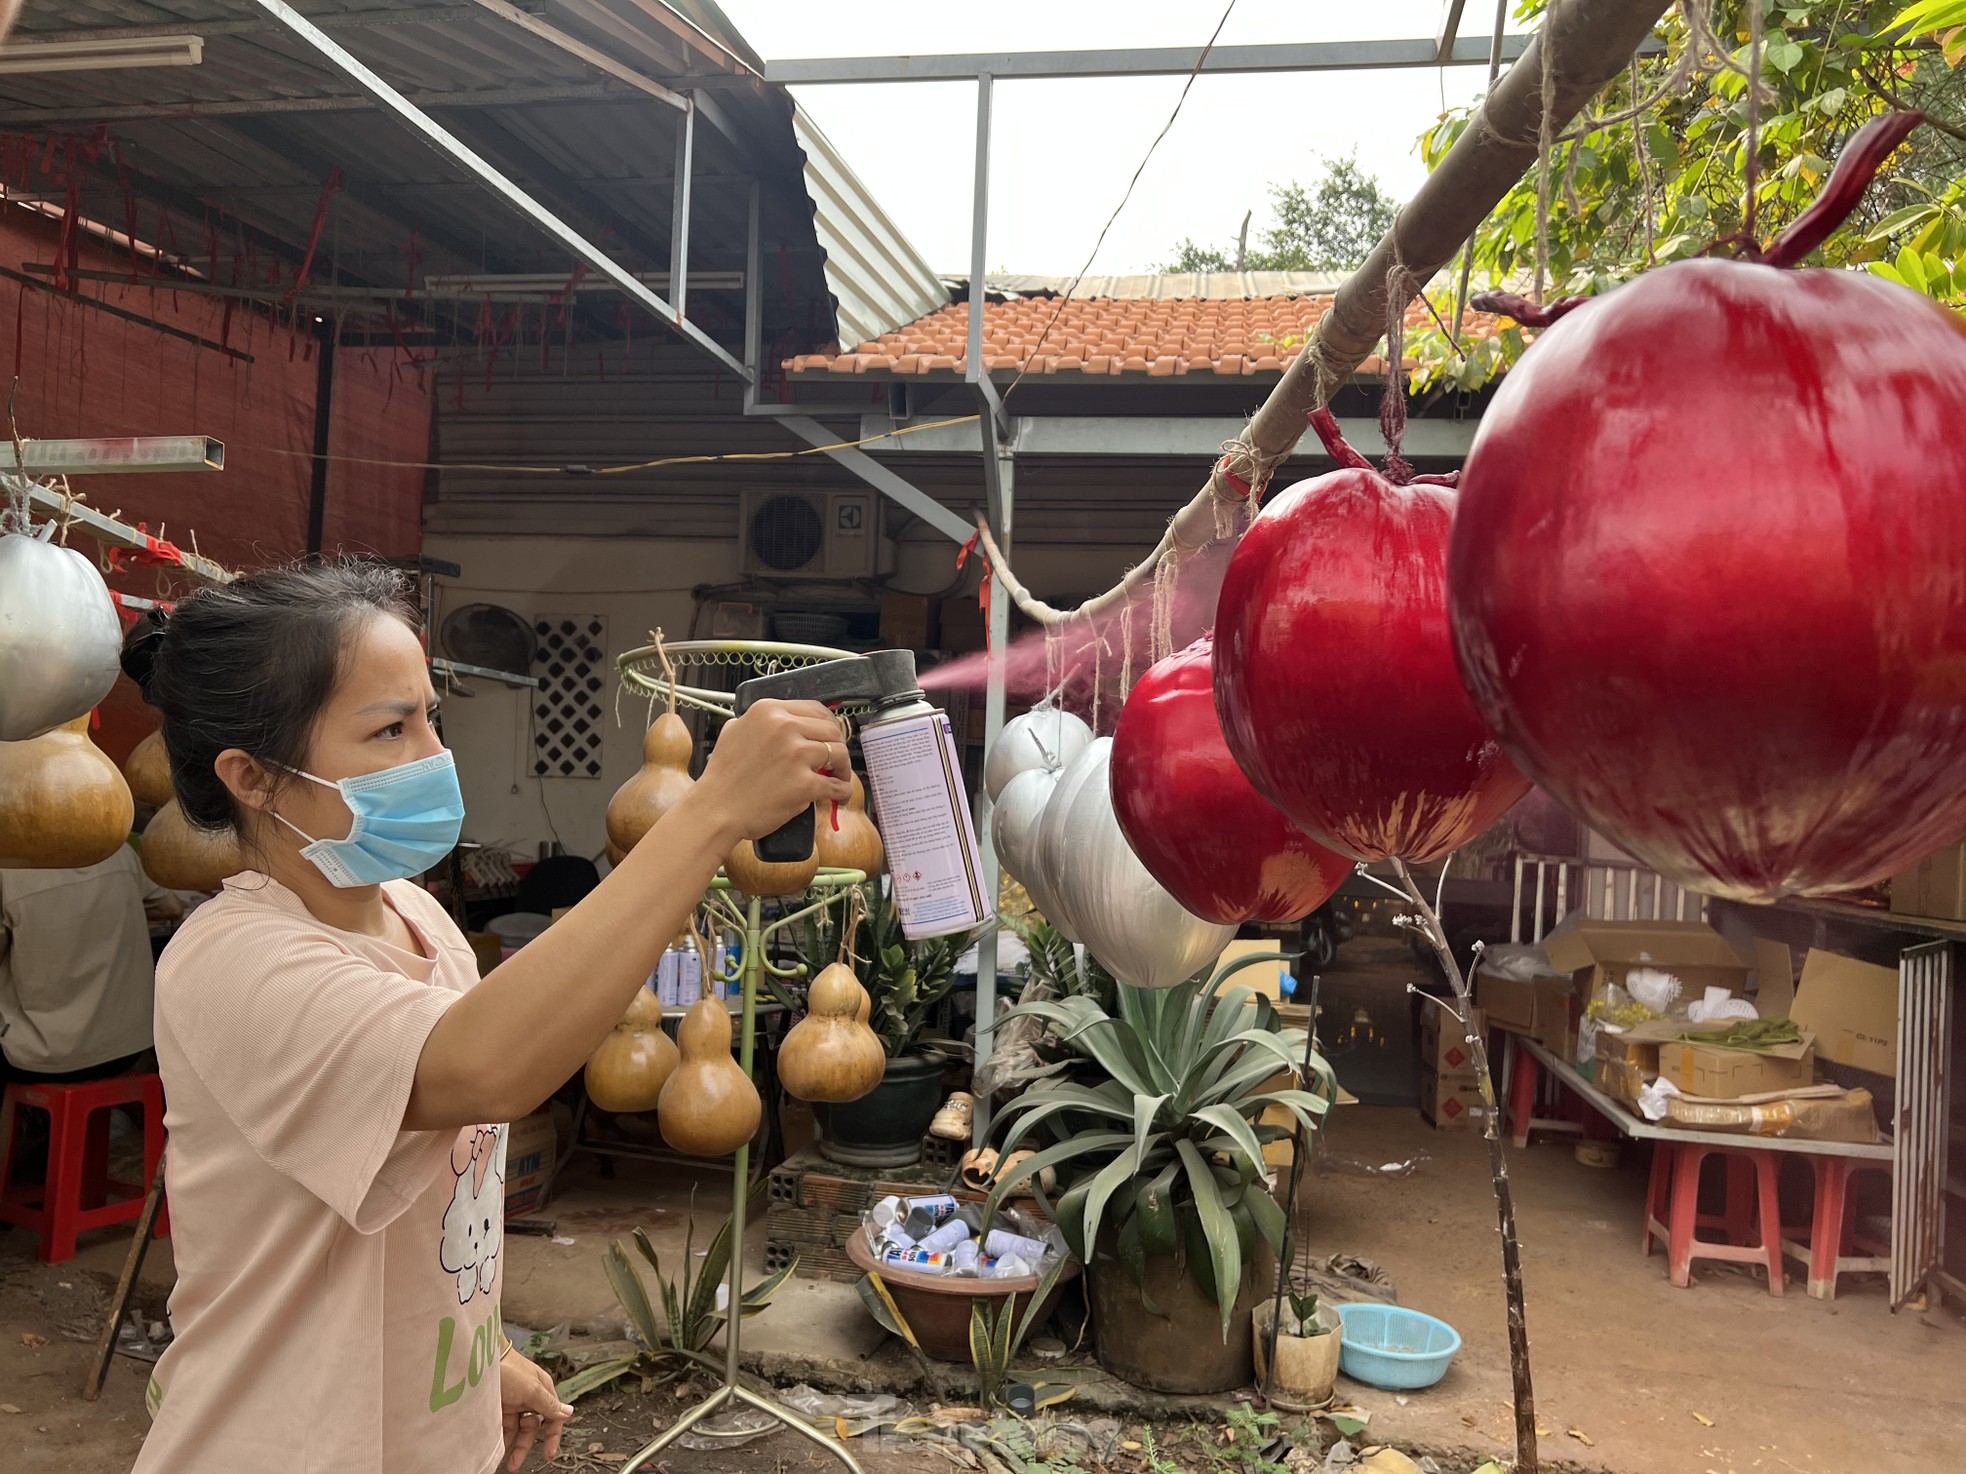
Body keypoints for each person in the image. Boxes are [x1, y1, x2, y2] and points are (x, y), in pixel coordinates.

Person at [119, 559, 849, 1474]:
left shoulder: (418, 919)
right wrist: (710, 813)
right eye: (391, 728)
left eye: (433, 717)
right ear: (254, 778)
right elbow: (487, 1068)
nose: (435, 754)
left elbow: (430, 1201)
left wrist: (481, 1350)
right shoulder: (232, 962)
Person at [0, 847, 184, 1095]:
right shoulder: (118, 852)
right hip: (127, 1049)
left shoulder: (8, 867)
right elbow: (171, 908)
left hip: (40, 1056)